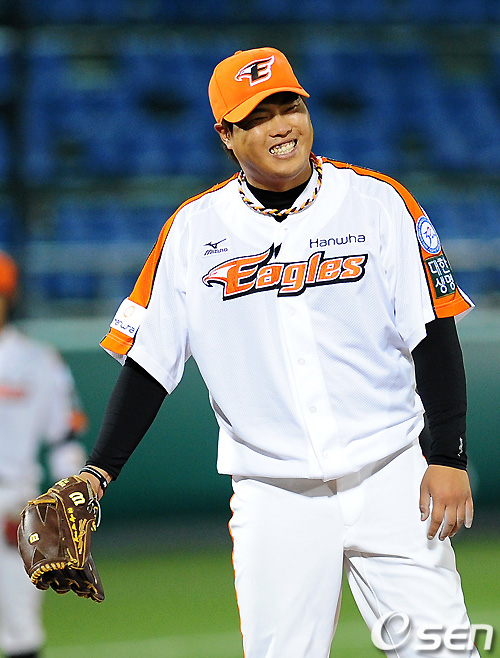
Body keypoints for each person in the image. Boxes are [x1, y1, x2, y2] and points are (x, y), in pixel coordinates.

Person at [74, 48, 477, 657]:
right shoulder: (192, 231)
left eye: (289, 107)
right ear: (226, 136)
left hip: (394, 476)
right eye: (257, 117)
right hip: (275, 495)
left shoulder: (378, 203)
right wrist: (98, 472)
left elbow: (435, 333)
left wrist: (448, 454)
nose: (281, 126)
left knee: (444, 650)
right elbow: (149, 366)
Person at [0, 251, 87, 658]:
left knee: (21, 632)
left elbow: (64, 439)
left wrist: (67, 503)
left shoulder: (37, 360)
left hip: (12, 505)